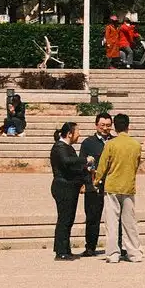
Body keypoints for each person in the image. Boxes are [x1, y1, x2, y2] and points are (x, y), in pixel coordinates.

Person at [95, 112, 144, 263]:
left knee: (112, 222)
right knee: (130, 222)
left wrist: (97, 180)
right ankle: (134, 252)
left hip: (112, 186)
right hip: (128, 185)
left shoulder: (111, 144)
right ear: (128, 126)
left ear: (115, 127)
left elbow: (103, 166)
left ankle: (113, 253)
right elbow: (136, 164)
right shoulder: (136, 145)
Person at [78, 112, 112, 257]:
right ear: (96, 125)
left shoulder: (115, 141)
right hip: (93, 185)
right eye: (102, 125)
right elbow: (82, 164)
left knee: (114, 217)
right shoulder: (88, 143)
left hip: (112, 185)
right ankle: (90, 246)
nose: (105, 128)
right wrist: (83, 183)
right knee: (92, 217)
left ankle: (117, 246)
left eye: (108, 125)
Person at [49, 121, 84, 261]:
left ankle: (65, 249)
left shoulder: (68, 147)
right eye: (77, 132)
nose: (78, 135)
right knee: (64, 219)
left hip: (70, 187)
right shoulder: (59, 147)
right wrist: (84, 160)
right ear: (69, 134)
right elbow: (66, 161)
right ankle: (60, 251)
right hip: (63, 187)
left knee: (68, 219)